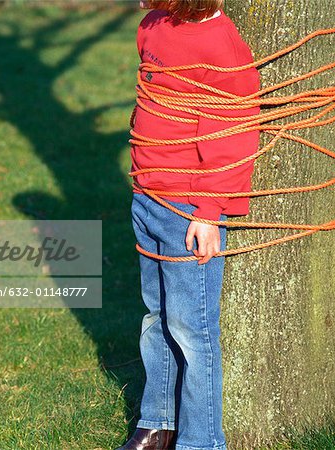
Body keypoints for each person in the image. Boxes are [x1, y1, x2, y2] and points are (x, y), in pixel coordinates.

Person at [116, 1, 260, 449]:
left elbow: (231, 140)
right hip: (146, 196)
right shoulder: (154, 25)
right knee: (156, 317)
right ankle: (157, 422)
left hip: (186, 210)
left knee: (192, 331)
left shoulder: (224, 51)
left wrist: (208, 213)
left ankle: (201, 440)